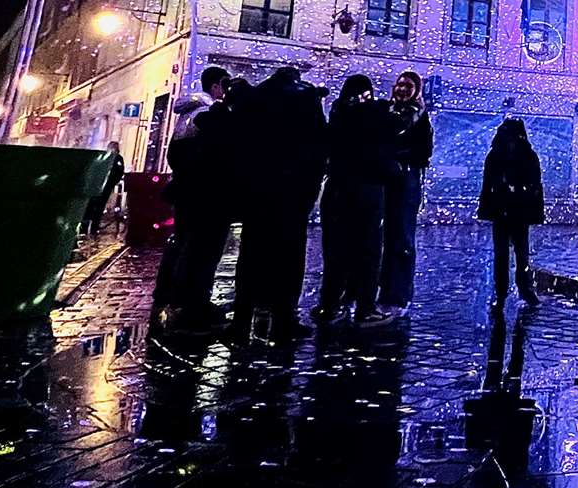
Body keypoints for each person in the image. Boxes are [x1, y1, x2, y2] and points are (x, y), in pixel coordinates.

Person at [230, 68, 328, 341]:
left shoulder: (255, 98)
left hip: (258, 191)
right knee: (289, 256)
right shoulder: (305, 98)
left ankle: (242, 319)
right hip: (292, 194)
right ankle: (283, 318)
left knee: (251, 255)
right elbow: (320, 146)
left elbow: (238, 145)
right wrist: (309, 188)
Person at [314, 75, 396, 328]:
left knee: (335, 249)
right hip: (366, 189)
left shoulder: (338, 115)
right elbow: (387, 146)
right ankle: (365, 306)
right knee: (368, 250)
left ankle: (329, 303)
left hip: (337, 188)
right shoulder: (376, 115)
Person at [151, 66, 230, 327]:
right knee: (200, 246)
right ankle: (189, 301)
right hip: (203, 191)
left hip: (187, 189)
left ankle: (169, 294)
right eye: (224, 86)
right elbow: (213, 153)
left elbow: (175, 154)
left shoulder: (187, 113)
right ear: (216, 86)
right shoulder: (207, 113)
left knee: (182, 240)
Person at [378, 71, 432, 314]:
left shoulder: (420, 117)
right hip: (384, 180)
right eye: (399, 84)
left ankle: (398, 294)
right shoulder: (385, 112)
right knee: (382, 238)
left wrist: (399, 157)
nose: (401, 89)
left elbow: (423, 153)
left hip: (406, 181)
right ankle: (382, 289)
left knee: (401, 238)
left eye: (408, 86)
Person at [478, 118, 544, 313]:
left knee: (512, 252)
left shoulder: (518, 155)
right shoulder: (513, 155)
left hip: (514, 209)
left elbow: (534, 184)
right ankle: (509, 291)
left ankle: (512, 291)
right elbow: (490, 183)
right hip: (508, 209)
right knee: (512, 252)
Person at [81, 141, 125, 237]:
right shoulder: (104, 157)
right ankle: (85, 228)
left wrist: (111, 183)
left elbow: (119, 172)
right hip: (97, 186)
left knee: (98, 208)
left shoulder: (117, 158)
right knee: (91, 206)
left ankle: (93, 229)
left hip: (105, 187)